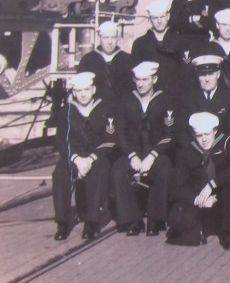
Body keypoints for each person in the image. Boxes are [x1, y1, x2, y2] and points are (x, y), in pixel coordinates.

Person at [112, 61, 176, 237]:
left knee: (163, 170)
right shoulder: (126, 100)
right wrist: (132, 155)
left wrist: (153, 155)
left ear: (154, 79)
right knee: (118, 171)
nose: (140, 84)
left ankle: (155, 219)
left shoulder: (165, 100)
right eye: (138, 80)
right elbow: (119, 132)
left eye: (145, 80)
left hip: (156, 151)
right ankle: (134, 220)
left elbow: (169, 134)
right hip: (132, 151)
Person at [167, 112, 230, 249]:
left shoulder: (226, 143)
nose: (204, 139)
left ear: (215, 131)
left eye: (207, 134)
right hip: (199, 198)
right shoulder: (186, 151)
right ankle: (199, 228)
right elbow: (176, 188)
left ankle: (227, 233)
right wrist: (198, 199)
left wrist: (213, 184)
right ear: (193, 134)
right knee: (180, 223)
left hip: (221, 196)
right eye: (199, 135)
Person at [52, 72, 116, 240]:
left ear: (93, 89)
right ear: (74, 92)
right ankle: (62, 222)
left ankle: (91, 221)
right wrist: (76, 159)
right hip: (73, 157)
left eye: (86, 90)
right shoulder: (67, 111)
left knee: (98, 173)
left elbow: (110, 140)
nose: (83, 94)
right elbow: (61, 141)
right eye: (79, 90)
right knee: (60, 174)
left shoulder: (105, 108)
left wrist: (91, 159)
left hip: (96, 156)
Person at [178, 54, 230, 148]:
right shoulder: (187, 98)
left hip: (222, 150)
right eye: (202, 74)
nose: (207, 79)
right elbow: (181, 131)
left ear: (218, 74)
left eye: (211, 73)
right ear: (197, 75)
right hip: (194, 150)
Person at [131, 0, 188, 96]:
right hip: (151, 97)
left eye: (162, 16)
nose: (159, 21)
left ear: (168, 16)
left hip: (176, 95)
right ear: (150, 19)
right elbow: (135, 76)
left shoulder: (181, 41)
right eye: (155, 18)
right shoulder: (140, 44)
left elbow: (186, 72)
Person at [76, 20, 133, 105]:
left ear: (117, 38)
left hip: (122, 111)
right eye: (106, 37)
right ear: (100, 37)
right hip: (96, 111)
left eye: (113, 37)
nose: (110, 42)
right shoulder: (88, 60)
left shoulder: (127, 59)